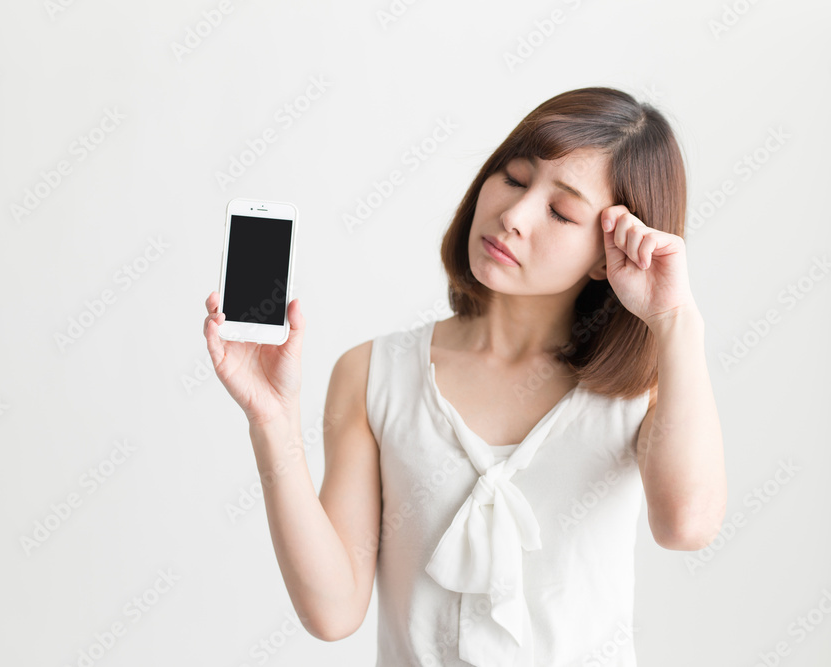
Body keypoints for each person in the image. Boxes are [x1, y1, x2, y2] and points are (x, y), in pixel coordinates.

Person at [202, 86, 726, 666]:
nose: (513, 217)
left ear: (608, 254)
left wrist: (675, 319)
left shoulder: (644, 392)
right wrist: (272, 420)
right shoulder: (373, 374)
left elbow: (687, 525)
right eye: (514, 178)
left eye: (561, 211)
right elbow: (333, 611)